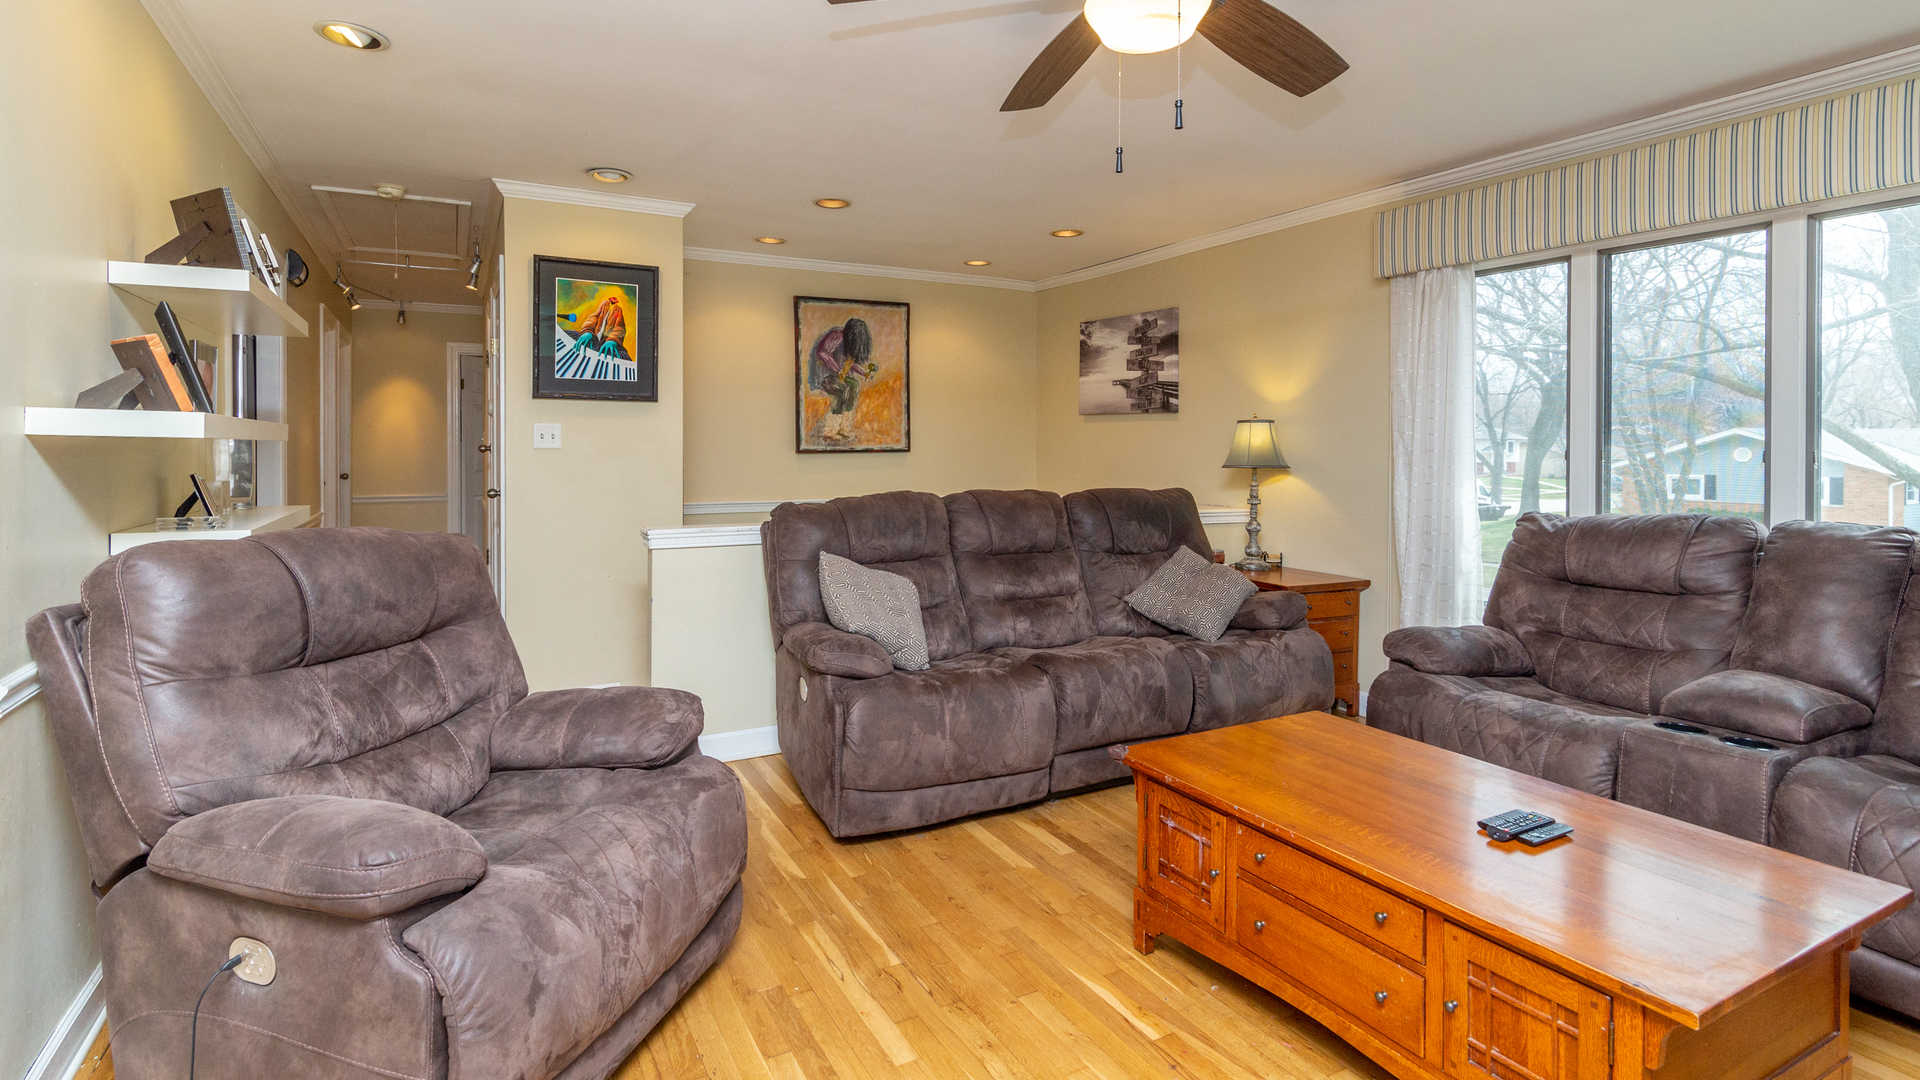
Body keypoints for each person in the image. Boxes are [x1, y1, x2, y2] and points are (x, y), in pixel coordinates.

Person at [808, 317, 876, 442]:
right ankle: (830, 431)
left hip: (839, 375)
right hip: (825, 375)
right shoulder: (837, 335)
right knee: (843, 390)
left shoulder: (848, 342)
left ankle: (844, 429)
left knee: (854, 385)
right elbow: (822, 352)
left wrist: (863, 373)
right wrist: (838, 370)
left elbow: (848, 362)